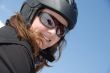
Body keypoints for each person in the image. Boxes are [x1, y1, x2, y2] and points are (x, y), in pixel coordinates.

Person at [0, 0, 78, 73]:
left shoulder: (10, 39)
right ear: (29, 13)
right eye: (49, 21)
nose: (53, 32)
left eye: (61, 30)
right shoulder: (15, 53)